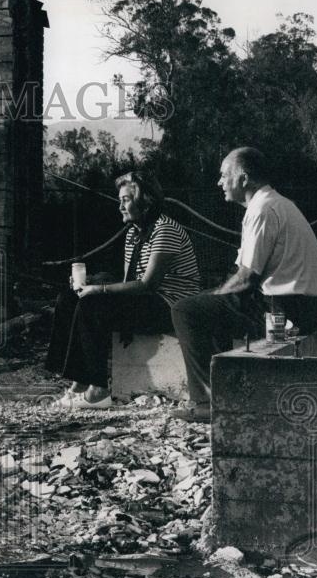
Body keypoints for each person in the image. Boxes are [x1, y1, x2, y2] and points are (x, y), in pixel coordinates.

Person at [170, 147, 317, 422]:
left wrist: (215, 295)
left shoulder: (262, 209)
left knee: (185, 310)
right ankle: (225, 391)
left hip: (286, 310)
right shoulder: (276, 203)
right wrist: (215, 296)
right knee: (210, 305)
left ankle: (208, 402)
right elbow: (245, 273)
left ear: (243, 178)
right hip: (303, 305)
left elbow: (246, 278)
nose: (219, 182)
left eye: (223, 175)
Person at [46, 171, 201, 409]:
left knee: (93, 303)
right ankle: (79, 381)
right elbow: (131, 279)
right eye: (120, 200)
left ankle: (98, 390)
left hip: (170, 305)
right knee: (69, 298)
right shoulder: (133, 233)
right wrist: (89, 285)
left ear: (145, 202)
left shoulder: (165, 230)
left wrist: (99, 290)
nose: (120, 206)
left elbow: (148, 284)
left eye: (126, 200)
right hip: (147, 299)